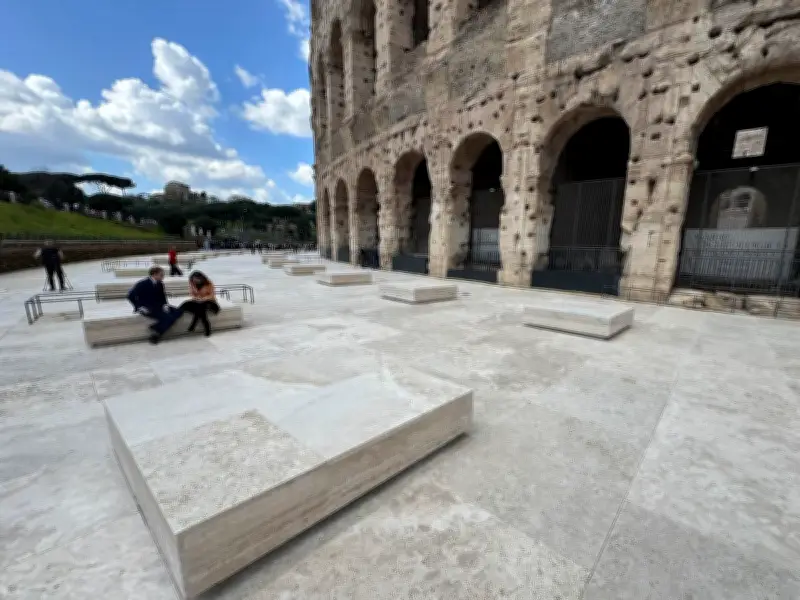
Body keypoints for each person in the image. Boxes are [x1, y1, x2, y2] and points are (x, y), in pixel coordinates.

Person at [127, 266, 182, 344]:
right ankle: (156, 335)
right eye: (161, 275)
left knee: (179, 311)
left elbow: (162, 296)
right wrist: (139, 307)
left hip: (159, 306)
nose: (163, 277)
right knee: (169, 318)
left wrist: (165, 305)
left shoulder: (160, 284)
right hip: (147, 308)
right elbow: (130, 296)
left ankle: (156, 327)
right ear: (154, 274)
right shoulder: (142, 284)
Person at [179, 271, 219, 337]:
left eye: (196, 280)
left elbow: (212, 295)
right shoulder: (192, 283)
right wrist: (196, 298)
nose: (195, 281)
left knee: (200, 307)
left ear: (201, 278)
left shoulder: (208, 283)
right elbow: (192, 294)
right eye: (193, 280)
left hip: (209, 301)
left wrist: (203, 299)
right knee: (185, 304)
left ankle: (195, 324)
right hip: (198, 301)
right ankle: (205, 327)